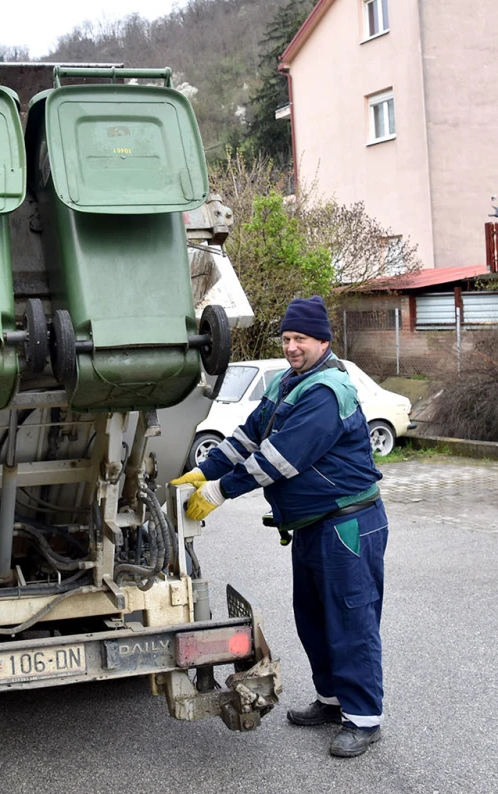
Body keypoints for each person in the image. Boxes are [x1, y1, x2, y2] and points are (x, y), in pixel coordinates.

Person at [171, 295, 388, 758]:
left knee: (351, 621)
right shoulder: (287, 383)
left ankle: (364, 719)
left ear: (323, 341)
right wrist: (204, 471)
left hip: (346, 525)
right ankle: (332, 701)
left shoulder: (327, 391)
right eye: (287, 338)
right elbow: (249, 436)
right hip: (313, 526)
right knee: (314, 618)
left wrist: (221, 491)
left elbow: (280, 457)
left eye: (300, 339)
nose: (291, 347)